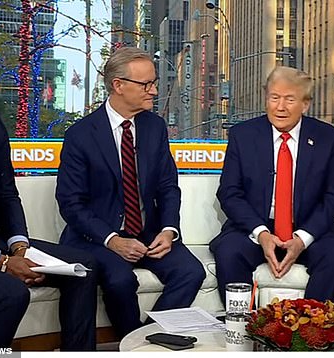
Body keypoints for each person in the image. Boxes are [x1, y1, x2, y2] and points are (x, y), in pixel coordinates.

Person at [0, 25, 97, 350]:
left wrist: (19, 246)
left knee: (83, 268)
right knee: (11, 294)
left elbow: (6, 191)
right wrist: (1, 262)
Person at [56, 46, 205, 338]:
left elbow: (167, 187)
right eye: (146, 84)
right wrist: (112, 240)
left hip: (148, 233)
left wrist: (168, 229)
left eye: (154, 83)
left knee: (191, 272)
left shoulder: (155, 127)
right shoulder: (81, 135)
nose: (153, 91)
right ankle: (133, 339)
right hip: (97, 237)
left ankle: (146, 339)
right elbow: (71, 204)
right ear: (118, 85)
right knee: (121, 279)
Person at [210, 66, 334, 304]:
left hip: (307, 225)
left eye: (289, 99)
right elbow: (230, 193)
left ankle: (311, 329)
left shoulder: (326, 137)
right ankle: (243, 328)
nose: (280, 107)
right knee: (229, 252)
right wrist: (262, 233)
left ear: (305, 104)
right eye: (274, 98)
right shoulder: (243, 135)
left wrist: (302, 238)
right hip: (255, 226)